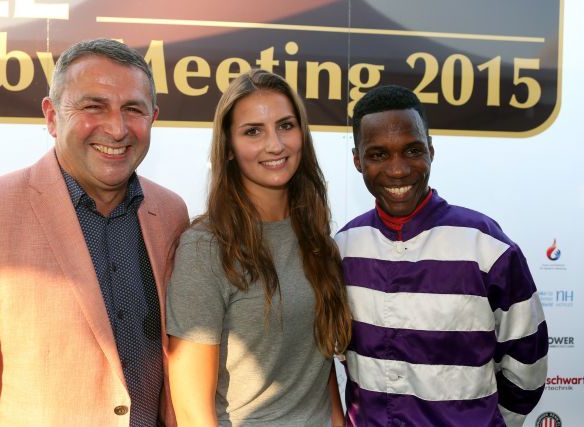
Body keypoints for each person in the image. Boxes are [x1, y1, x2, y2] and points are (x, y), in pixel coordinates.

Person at [0, 39, 188, 426]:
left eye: (133, 109)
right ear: (52, 116)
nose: (116, 127)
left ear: (153, 117)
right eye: (93, 106)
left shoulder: (171, 213)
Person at [335, 85, 548, 427]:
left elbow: (528, 361)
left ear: (431, 152)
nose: (398, 169)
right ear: (357, 160)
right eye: (378, 154)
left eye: (412, 150)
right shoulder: (342, 248)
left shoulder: (486, 246)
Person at [166, 69, 351, 426]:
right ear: (229, 148)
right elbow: (192, 412)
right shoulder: (206, 248)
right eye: (253, 131)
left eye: (286, 125)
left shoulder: (315, 237)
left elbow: (317, 368)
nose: (275, 145)